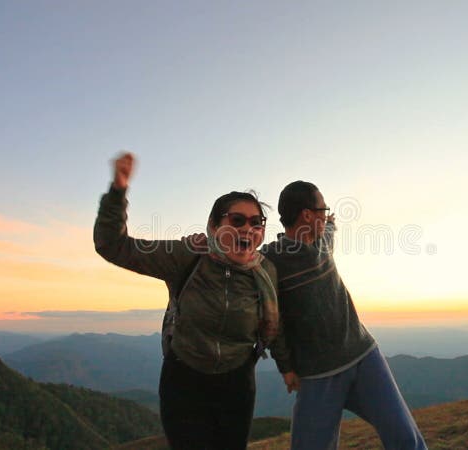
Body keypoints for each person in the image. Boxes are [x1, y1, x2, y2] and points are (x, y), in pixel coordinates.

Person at [93, 152, 279, 450]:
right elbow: (113, 246)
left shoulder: (265, 271)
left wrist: (290, 366)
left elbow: (276, 323)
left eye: (257, 222)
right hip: (185, 381)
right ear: (215, 225)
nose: (248, 228)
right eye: (237, 220)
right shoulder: (187, 256)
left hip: (238, 383)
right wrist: (118, 193)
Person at [261, 181, 428, 450]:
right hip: (318, 372)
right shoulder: (270, 260)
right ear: (306, 215)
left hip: (364, 357)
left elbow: (329, 228)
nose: (325, 215)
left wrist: (330, 221)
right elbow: (273, 321)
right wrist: (286, 366)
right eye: (322, 209)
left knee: (406, 439)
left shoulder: (323, 239)